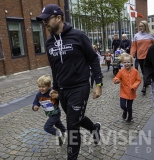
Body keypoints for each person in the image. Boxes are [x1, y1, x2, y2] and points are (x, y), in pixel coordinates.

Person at [36, 4, 103, 160]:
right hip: (63, 90)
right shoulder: (48, 43)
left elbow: (93, 59)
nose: (45, 23)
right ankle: (94, 128)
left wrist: (98, 84)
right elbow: (54, 67)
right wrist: (55, 88)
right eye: (43, 20)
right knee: (77, 118)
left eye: (47, 19)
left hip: (80, 86)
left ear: (59, 18)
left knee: (72, 125)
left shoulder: (78, 36)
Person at [32, 75, 66, 146]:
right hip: (50, 114)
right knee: (58, 123)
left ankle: (58, 134)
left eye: (43, 87)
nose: (41, 89)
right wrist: (35, 106)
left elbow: (61, 97)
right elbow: (36, 102)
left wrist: (58, 96)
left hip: (56, 113)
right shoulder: (38, 95)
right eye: (39, 87)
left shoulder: (52, 93)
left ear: (49, 86)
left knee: (47, 127)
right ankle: (65, 131)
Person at [113, 53, 141, 124]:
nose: (126, 64)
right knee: (122, 105)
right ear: (122, 63)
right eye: (125, 62)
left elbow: (138, 80)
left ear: (131, 62)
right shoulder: (121, 71)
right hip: (123, 91)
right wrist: (116, 80)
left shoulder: (135, 71)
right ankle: (125, 111)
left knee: (129, 107)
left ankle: (130, 117)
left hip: (131, 92)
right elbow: (117, 77)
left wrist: (134, 86)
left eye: (128, 62)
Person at [130, 20, 154, 94]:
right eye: (139, 26)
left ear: (146, 26)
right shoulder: (136, 35)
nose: (140, 27)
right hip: (140, 56)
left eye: (142, 26)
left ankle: (144, 86)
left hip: (149, 56)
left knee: (147, 70)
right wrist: (132, 55)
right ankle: (147, 82)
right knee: (144, 71)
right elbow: (134, 46)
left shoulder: (150, 35)